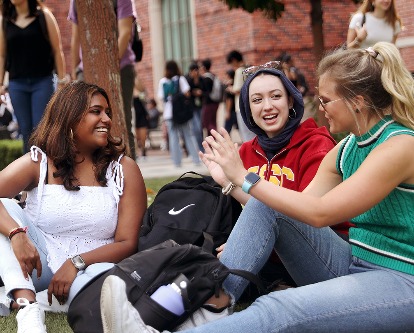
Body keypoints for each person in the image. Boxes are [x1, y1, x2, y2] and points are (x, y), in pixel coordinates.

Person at [100, 42, 414, 332]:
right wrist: (236, 191)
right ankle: (210, 307)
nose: (321, 108)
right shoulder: (347, 149)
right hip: (352, 263)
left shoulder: (399, 147)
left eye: (327, 100)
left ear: (357, 102)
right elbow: (293, 210)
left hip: (401, 281)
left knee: (280, 307)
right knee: (269, 206)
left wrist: (246, 178)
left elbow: (320, 214)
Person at [0, 81, 147, 332]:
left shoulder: (123, 169)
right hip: (39, 262)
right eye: (96, 111)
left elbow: (126, 243)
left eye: (107, 112)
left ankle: (25, 298)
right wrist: (17, 235)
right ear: (70, 117)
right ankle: (28, 308)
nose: (106, 119)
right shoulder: (40, 162)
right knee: (4, 206)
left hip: (93, 267)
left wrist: (76, 262)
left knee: (103, 293)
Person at [68, 0, 138, 160]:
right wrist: (74, 71)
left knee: (123, 122)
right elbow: (75, 37)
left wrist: (109, 69)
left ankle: (128, 175)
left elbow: (125, 32)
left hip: (121, 68)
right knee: (80, 124)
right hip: (86, 69)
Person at [0, 0, 67, 153]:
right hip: (17, 84)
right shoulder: (5, 21)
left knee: (41, 130)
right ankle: (30, 175)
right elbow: (2, 56)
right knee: (25, 132)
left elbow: (57, 50)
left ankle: (45, 172)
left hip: (42, 82)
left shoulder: (44, 16)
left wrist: (62, 81)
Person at [157, 60, 200, 168]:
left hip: (168, 113)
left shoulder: (162, 81)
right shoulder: (180, 79)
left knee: (173, 137)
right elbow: (187, 93)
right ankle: (196, 160)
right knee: (188, 135)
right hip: (181, 112)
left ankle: (177, 162)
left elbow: (161, 97)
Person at [225, 50, 255, 142]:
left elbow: (237, 90)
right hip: (250, 103)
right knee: (252, 132)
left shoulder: (239, 71)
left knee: (245, 134)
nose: (231, 66)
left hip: (240, 105)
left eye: (231, 63)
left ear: (234, 60)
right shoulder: (248, 68)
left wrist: (230, 88)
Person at [185, 62, 204, 151]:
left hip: (199, 105)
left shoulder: (200, 79)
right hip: (191, 107)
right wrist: (194, 92)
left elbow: (204, 89)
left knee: (200, 127)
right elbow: (187, 92)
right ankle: (197, 148)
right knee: (195, 128)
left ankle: (200, 146)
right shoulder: (187, 79)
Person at [200, 58, 220, 135]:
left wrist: (200, 93)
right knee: (213, 121)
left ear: (204, 67)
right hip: (215, 102)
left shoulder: (206, 78)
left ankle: (213, 139)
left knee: (207, 123)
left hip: (209, 103)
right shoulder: (213, 76)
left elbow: (206, 92)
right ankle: (213, 141)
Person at [133, 75, 149, 160]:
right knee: (136, 136)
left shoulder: (141, 91)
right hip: (133, 116)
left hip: (142, 115)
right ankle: (136, 151)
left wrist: (139, 94)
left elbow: (146, 100)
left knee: (143, 136)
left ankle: (143, 150)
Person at [223, 69, 237, 135]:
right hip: (236, 109)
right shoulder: (235, 84)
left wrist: (227, 112)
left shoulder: (229, 87)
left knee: (226, 130)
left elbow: (229, 100)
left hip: (231, 110)